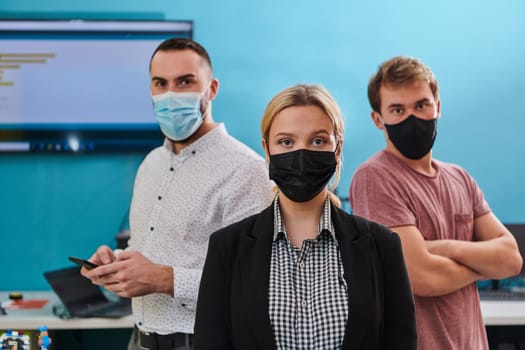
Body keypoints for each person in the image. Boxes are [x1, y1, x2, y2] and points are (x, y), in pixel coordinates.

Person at [81, 38, 274, 350]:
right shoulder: (151, 164)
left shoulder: (245, 169)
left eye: (185, 82)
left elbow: (255, 282)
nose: (171, 94)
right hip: (139, 341)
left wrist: (163, 279)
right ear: (151, 90)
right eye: (161, 83)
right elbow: (149, 247)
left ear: (211, 89)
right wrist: (115, 264)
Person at [194, 84, 417, 349]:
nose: (301, 154)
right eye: (286, 142)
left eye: (318, 140)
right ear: (267, 149)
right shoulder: (227, 247)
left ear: (337, 148)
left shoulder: (382, 245)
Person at [349, 56, 523, 350]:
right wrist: (483, 266)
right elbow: (422, 277)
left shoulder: (460, 178)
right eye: (397, 110)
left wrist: (445, 247)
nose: (412, 118)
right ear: (378, 120)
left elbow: (511, 260)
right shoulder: (374, 178)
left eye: (421, 105)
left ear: (437, 106)